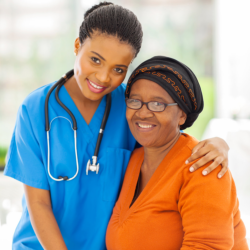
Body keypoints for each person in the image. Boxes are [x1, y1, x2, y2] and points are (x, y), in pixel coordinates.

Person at [4, 2, 230, 250]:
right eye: (95, 60)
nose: (103, 77)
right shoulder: (35, 109)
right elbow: (38, 203)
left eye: (118, 69)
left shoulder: (131, 107)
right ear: (77, 45)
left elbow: (172, 144)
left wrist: (220, 143)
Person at [106, 56, 249, 250]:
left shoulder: (203, 167)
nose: (143, 112)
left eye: (158, 104)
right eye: (135, 101)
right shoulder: (135, 159)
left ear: (182, 114)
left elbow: (207, 246)